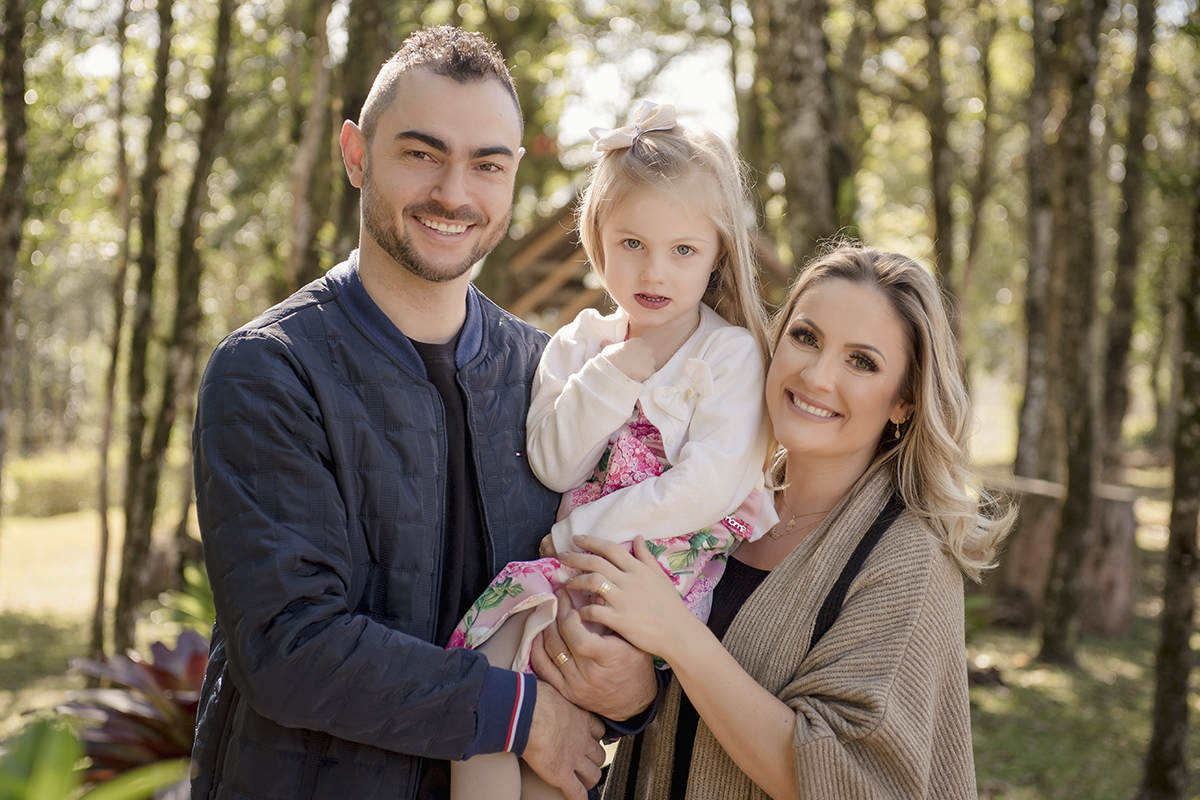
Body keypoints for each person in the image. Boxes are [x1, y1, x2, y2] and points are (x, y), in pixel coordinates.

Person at [189, 26, 656, 800]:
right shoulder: (269, 370)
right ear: (356, 154)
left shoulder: (554, 373)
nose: (454, 192)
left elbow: (611, 566)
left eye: (487, 164)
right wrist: (521, 715)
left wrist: (635, 685)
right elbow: (290, 645)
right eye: (421, 153)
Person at [557, 242, 1014, 799]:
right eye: (806, 337)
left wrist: (678, 638)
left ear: (904, 402)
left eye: (862, 361)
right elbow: (678, 706)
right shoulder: (712, 499)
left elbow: (849, 780)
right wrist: (634, 694)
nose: (818, 376)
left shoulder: (908, 560)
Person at [446, 102, 775, 800]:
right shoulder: (580, 347)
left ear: (717, 253)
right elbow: (555, 462)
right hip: (559, 575)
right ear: (597, 238)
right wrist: (615, 371)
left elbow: (709, 486)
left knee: (561, 763)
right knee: (487, 698)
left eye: (683, 250)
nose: (654, 271)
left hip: (645, 589)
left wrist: (582, 532)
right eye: (631, 244)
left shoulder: (727, 355)